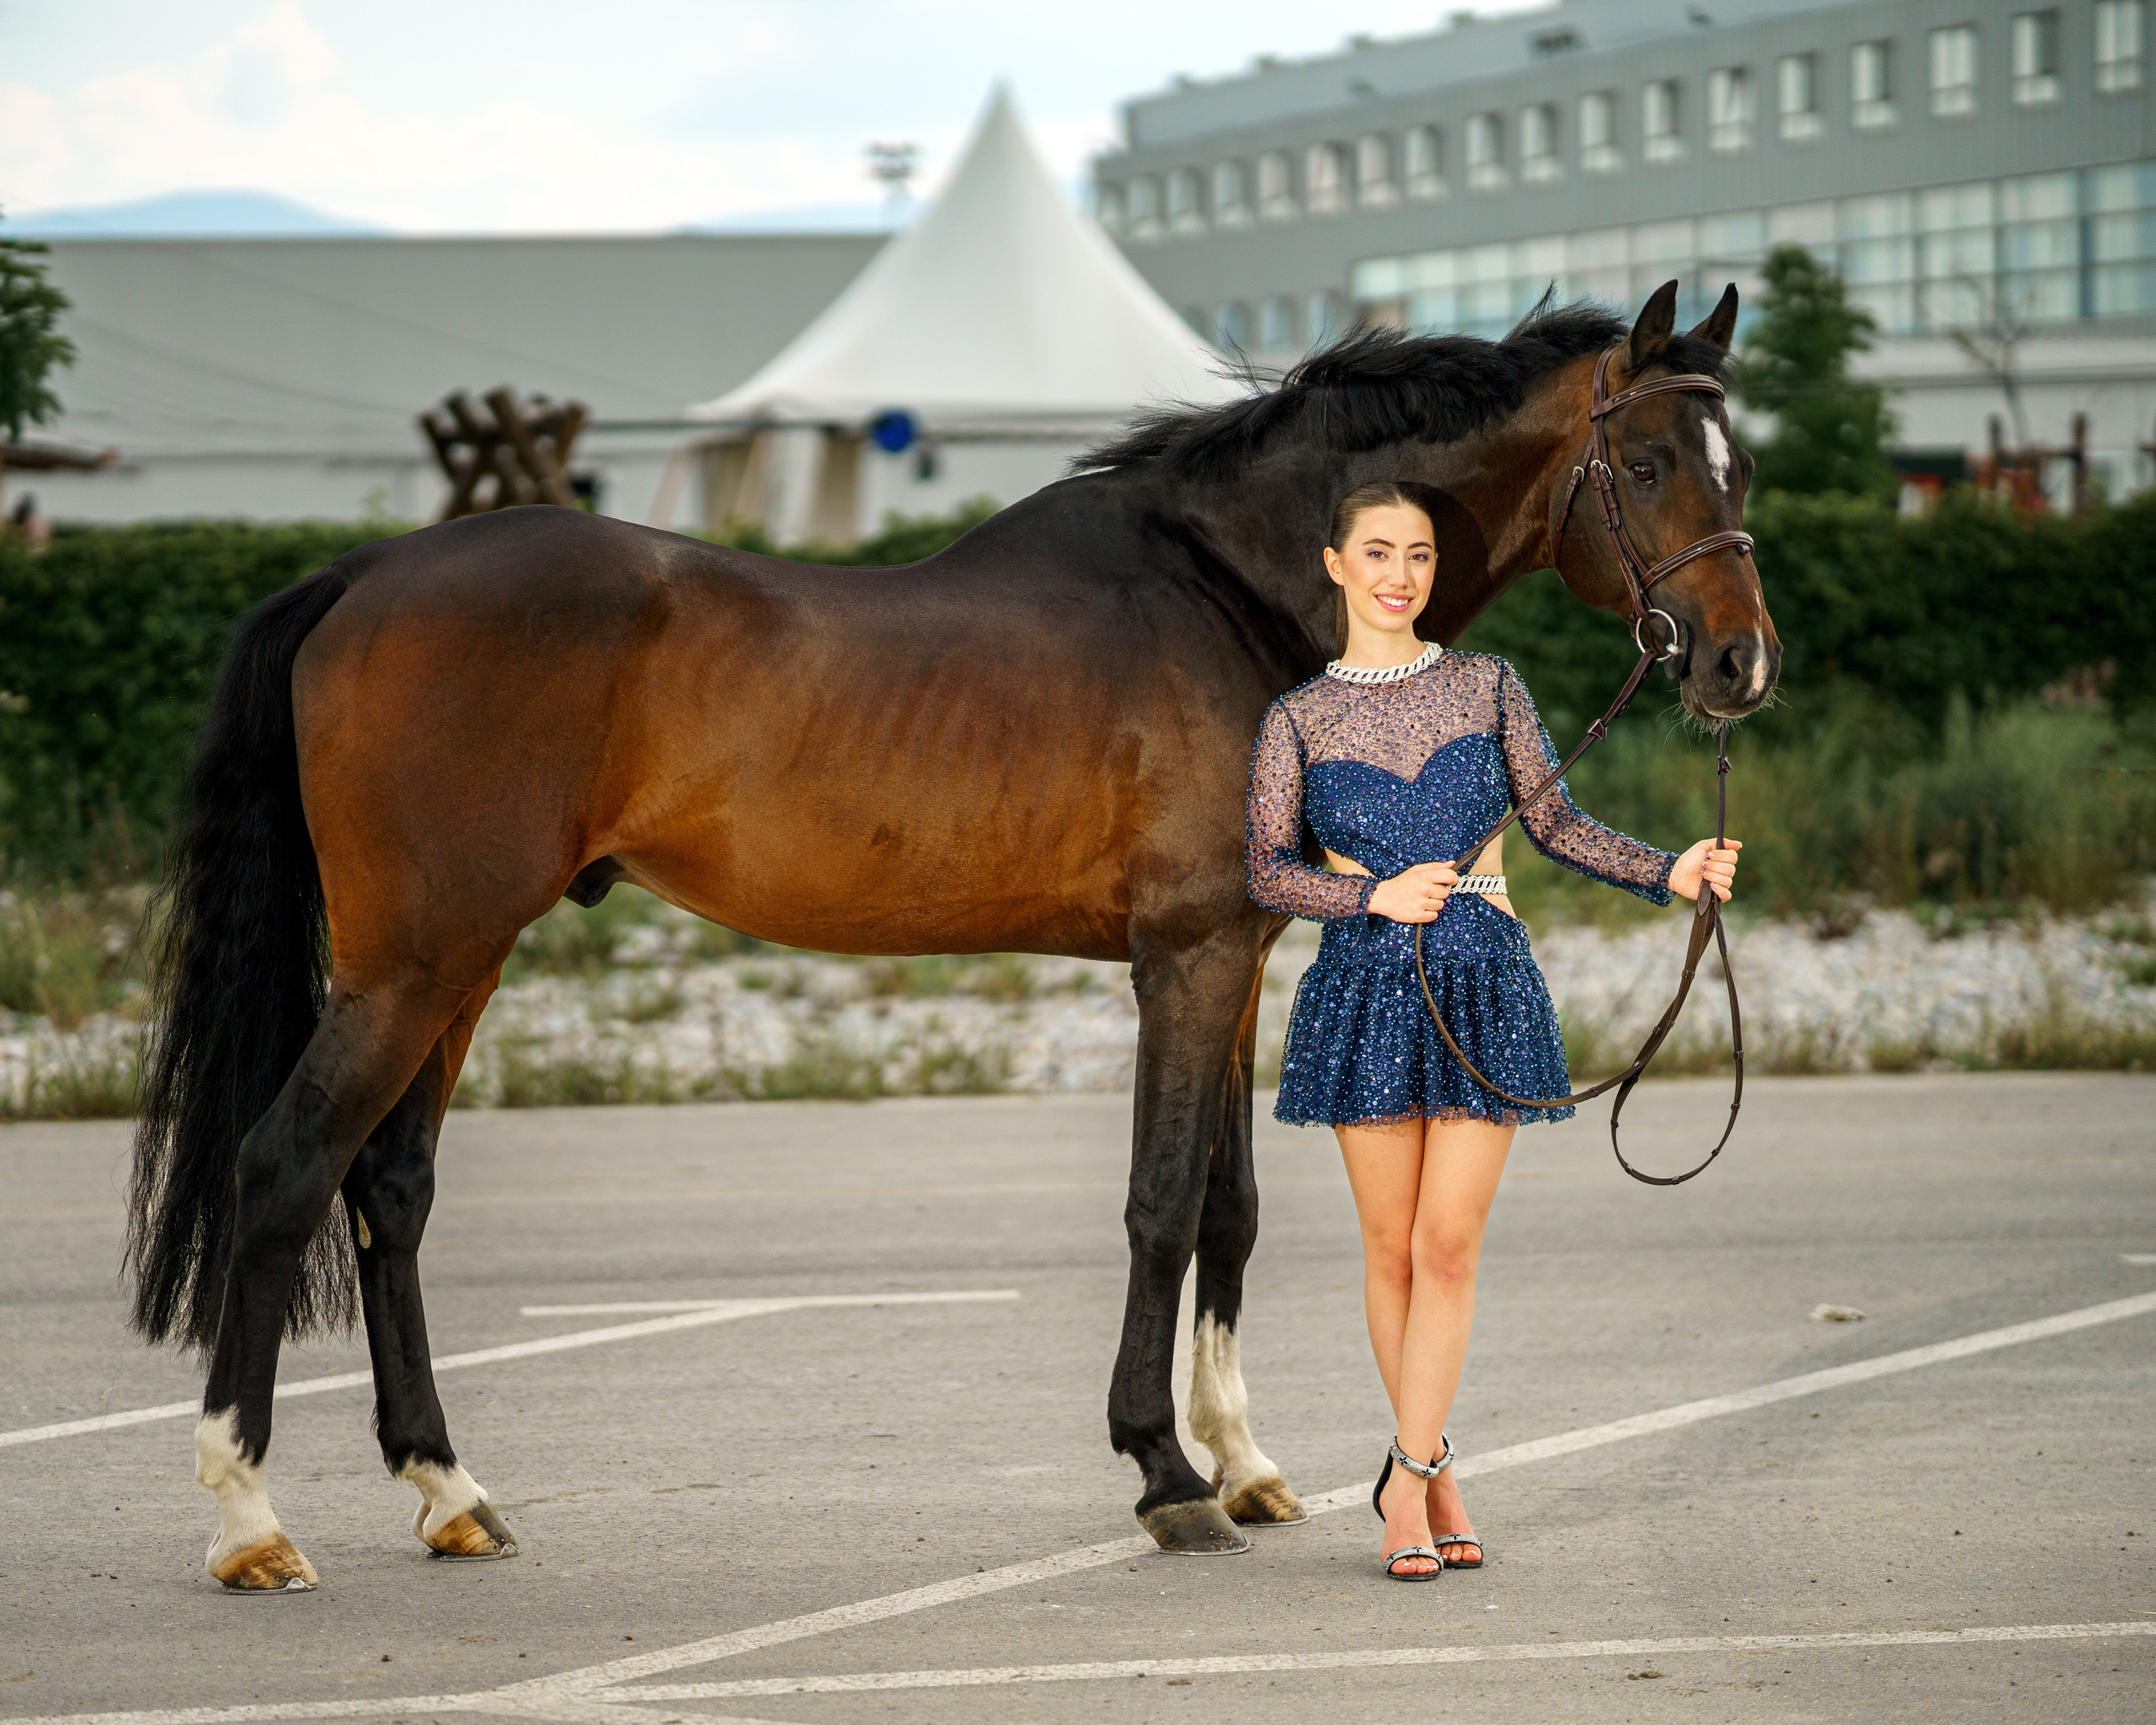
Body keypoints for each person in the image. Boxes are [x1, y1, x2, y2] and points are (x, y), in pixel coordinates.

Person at [1244, 482, 1740, 1582]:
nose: (1399, 573)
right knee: (1389, 1249)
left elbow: (1556, 822)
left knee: (1449, 1245)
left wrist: (1672, 868)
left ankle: (1401, 1480)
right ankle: (1436, 1473)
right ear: (1336, 564)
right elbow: (1267, 871)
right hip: (1365, 988)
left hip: (1486, 977)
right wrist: (1369, 897)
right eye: (1377, 552)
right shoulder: (1297, 718)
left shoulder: (1487, 687)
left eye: (1417, 554)